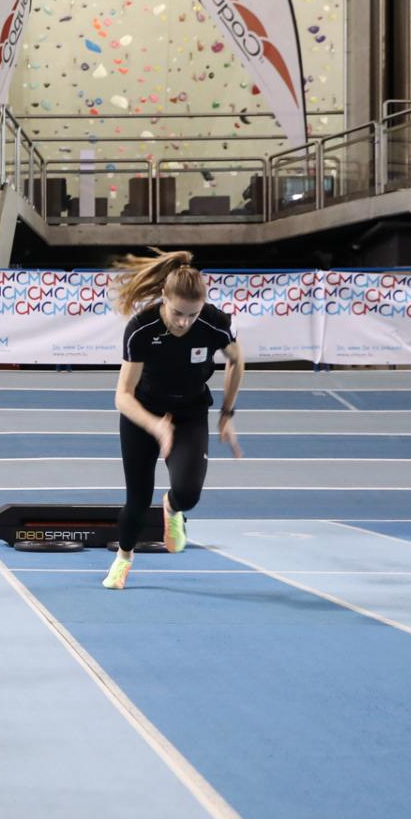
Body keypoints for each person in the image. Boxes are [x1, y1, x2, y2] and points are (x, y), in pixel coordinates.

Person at [104, 249, 244, 590]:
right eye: (179, 313)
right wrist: (154, 425)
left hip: (189, 414)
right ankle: (123, 559)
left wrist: (226, 414)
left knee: (189, 493)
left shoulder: (214, 323)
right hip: (143, 415)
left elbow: (236, 362)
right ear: (164, 297)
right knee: (137, 501)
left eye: (192, 315)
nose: (184, 322)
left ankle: (172, 508)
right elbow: (122, 394)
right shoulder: (142, 328)